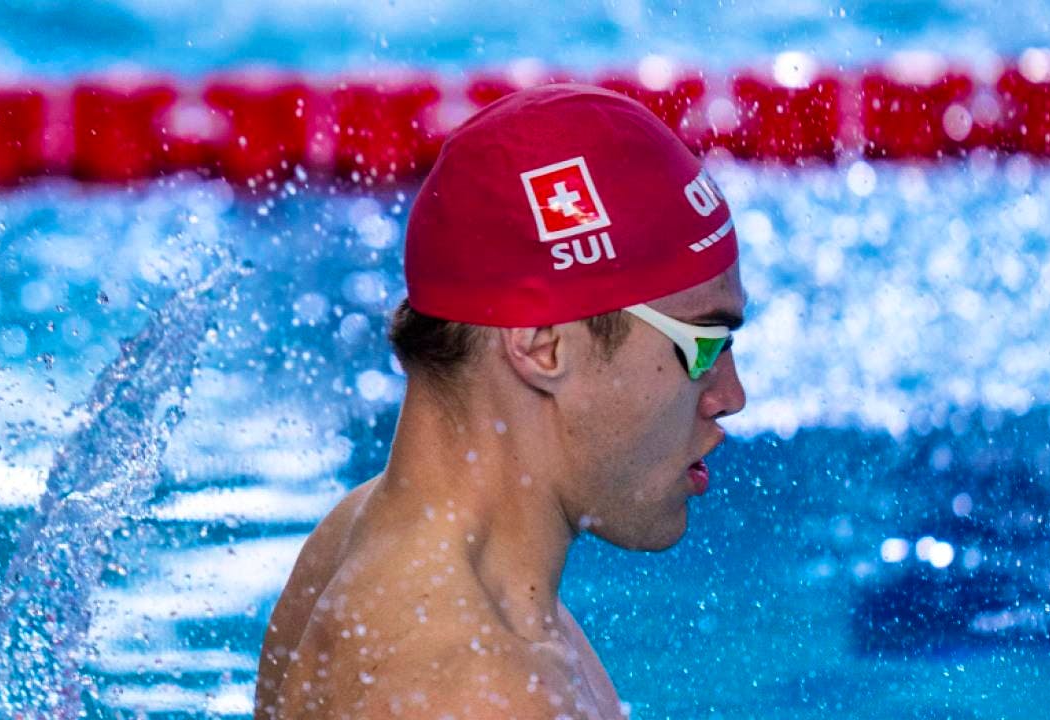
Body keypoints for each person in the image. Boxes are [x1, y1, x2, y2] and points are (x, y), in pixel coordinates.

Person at [254, 83, 747, 719]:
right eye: (703, 345)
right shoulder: (482, 692)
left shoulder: (362, 539)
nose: (730, 395)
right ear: (543, 347)